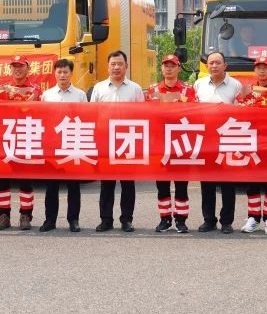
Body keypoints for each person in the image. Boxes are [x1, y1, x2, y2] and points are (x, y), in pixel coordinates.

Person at [90, 50, 145, 232]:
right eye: (113, 64)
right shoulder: (99, 88)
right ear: (108, 67)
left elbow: (143, 116)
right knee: (107, 183)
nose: (116, 67)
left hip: (128, 140)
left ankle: (126, 219)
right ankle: (106, 219)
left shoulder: (135, 89)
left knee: (128, 183)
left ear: (126, 66)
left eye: (120, 64)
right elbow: (91, 115)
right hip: (106, 141)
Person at [145, 54, 197, 233]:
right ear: (161, 68)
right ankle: (165, 219)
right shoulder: (152, 90)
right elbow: (145, 114)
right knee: (162, 185)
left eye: (172, 65)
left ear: (178, 68)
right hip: (159, 143)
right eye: (165, 65)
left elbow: (194, 113)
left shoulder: (188, 90)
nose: (168, 68)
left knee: (181, 184)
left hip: (181, 142)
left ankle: (181, 220)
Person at [0, 55, 41, 230]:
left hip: (26, 136)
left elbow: (34, 106)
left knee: (25, 178)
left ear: (28, 68)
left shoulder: (35, 89)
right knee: (2, 178)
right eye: (14, 66)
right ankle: (3, 215)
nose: (17, 69)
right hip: (5, 137)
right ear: (10, 69)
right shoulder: (0, 88)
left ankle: (25, 215)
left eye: (21, 66)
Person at [192, 51, 240, 233]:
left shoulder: (235, 85)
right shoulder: (199, 84)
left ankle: (226, 221)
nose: (214, 66)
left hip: (228, 138)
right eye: (211, 63)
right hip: (205, 140)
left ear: (225, 65)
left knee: (228, 183)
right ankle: (209, 220)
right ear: (207, 66)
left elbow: (241, 112)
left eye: (217, 63)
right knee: (207, 183)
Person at [238, 56, 267, 235]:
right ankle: (253, 217)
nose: (262, 70)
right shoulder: (247, 90)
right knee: (252, 181)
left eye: (265, 67)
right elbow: (239, 109)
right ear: (254, 70)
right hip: (251, 140)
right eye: (258, 67)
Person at [40, 58, 87, 232]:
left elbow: (86, 118)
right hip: (52, 145)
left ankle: (73, 220)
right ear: (54, 74)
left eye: (65, 72)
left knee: (73, 186)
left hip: (73, 144)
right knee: (51, 186)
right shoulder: (47, 95)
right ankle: (50, 220)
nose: (62, 75)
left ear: (71, 73)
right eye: (59, 72)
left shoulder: (80, 95)